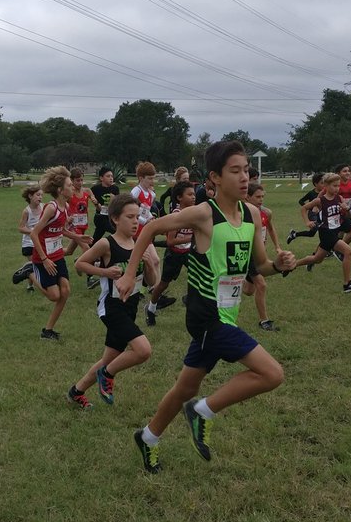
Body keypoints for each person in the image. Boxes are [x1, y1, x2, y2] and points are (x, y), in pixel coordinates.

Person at [116, 140, 296, 474]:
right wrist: (130, 274)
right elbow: (151, 227)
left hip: (227, 312)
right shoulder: (203, 214)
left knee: (186, 386)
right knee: (272, 373)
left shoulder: (252, 214)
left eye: (246, 170)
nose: (244, 177)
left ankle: (149, 437)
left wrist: (281, 264)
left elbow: (259, 267)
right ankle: (202, 412)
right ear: (214, 177)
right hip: (206, 316)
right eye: (235, 171)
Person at [67, 195, 158, 410]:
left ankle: (76, 391)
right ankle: (106, 375)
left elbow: (151, 282)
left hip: (130, 308)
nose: (136, 222)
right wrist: (104, 271)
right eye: (130, 217)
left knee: (108, 359)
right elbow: (80, 264)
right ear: (115, 219)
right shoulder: (106, 243)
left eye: (137, 217)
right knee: (143, 350)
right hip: (111, 308)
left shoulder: (138, 245)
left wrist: (149, 265)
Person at [30, 165, 86, 340]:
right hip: (43, 258)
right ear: (61, 190)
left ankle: (48, 331)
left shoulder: (66, 207)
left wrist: (78, 238)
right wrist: (45, 259)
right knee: (54, 296)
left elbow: (59, 230)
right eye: (70, 185)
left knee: (66, 291)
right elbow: (34, 233)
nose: (72, 188)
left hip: (57, 256)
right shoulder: (51, 208)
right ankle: (29, 274)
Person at [294, 172, 351, 293]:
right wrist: (307, 222)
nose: (337, 189)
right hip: (326, 232)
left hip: (335, 229)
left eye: (338, 186)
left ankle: (292, 265)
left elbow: (348, 215)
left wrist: (346, 209)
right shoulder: (320, 200)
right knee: (348, 252)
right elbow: (304, 208)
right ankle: (347, 284)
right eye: (334, 186)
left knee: (317, 259)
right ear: (326, 185)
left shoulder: (339, 198)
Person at [145, 180, 194, 325]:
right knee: (163, 284)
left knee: (200, 279)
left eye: (194, 194)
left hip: (189, 252)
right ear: (179, 197)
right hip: (174, 254)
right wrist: (191, 237)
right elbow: (171, 241)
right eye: (189, 194)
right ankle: (151, 309)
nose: (193, 197)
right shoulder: (176, 215)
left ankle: (191, 300)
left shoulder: (194, 212)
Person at [245, 182, 282, 329]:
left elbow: (271, 229)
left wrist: (277, 246)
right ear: (247, 197)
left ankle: (234, 280)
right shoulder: (243, 213)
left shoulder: (266, 213)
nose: (261, 200)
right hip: (247, 254)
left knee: (248, 290)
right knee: (261, 284)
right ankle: (264, 321)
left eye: (262, 197)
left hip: (258, 255)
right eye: (257, 197)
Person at [11, 183, 42, 291]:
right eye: (38, 195)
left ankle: (30, 285)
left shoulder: (44, 208)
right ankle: (32, 285)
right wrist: (33, 231)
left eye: (41, 195)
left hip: (41, 241)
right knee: (35, 265)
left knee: (35, 265)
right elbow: (21, 228)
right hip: (29, 243)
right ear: (30, 196)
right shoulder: (26, 211)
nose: (40, 197)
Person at [65, 167, 93, 262]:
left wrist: (96, 202)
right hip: (73, 226)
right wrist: (67, 218)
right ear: (71, 180)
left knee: (69, 251)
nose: (80, 183)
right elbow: (60, 206)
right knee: (86, 248)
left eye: (81, 180)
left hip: (83, 225)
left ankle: (47, 254)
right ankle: (89, 273)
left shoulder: (86, 191)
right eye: (77, 180)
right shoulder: (69, 193)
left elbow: (98, 207)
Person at [286, 174, 323, 245]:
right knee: (322, 229)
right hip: (313, 214)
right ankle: (326, 249)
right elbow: (301, 201)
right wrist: (309, 207)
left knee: (311, 233)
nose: (324, 185)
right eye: (322, 183)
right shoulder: (311, 193)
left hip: (321, 213)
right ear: (316, 184)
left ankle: (294, 234)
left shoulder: (325, 193)